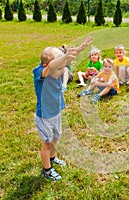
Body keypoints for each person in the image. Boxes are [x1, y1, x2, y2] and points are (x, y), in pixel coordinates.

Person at [33, 37, 92, 181]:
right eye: (60, 64)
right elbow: (53, 66)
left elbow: (62, 64)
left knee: (55, 138)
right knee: (46, 143)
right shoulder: (40, 72)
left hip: (56, 112)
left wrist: (77, 50)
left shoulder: (57, 70)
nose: (63, 68)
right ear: (46, 64)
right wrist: (64, 56)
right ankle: (47, 170)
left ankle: (52, 159)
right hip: (45, 116)